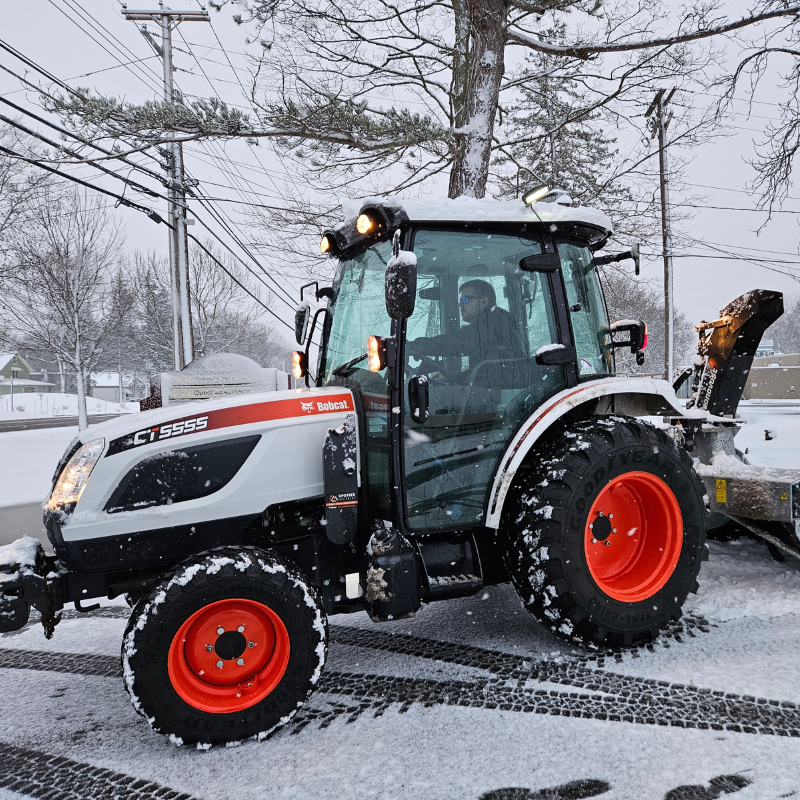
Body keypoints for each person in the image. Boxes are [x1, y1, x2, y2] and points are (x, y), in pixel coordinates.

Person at [408, 279, 526, 382]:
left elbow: (456, 342)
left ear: (483, 302)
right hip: (495, 388)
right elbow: (481, 374)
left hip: (497, 394)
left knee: (420, 398)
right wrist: (451, 379)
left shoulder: (492, 324)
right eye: (460, 301)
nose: (460, 305)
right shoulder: (495, 319)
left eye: (465, 300)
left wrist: (417, 346)